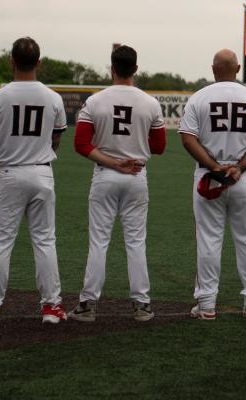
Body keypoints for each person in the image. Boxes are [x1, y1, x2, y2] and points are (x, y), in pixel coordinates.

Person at [0, 37, 68, 326]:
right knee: (45, 241)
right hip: (42, 171)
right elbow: (56, 139)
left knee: (1, 243)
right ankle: (51, 307)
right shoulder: (53, 98)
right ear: (39, 62)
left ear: (11, 61)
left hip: (9, 173)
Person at [69, 45, 166, 323]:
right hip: (137, 175)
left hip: (105, 175)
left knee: (99, 241)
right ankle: (142, 305)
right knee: (136, 242)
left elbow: (81, 144)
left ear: (111, 68)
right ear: (136, 69)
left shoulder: (96, 101)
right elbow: (159, 147)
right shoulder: (150, 103)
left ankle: (88, 305)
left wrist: (112, 160)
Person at [179, 49, 246, 320]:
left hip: (210, 177)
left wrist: (213, 166)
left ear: (213, 69)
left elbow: (187, 139)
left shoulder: (199, 97)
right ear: (238, 68)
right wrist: (240, 167)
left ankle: (207, 304)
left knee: (208, 240)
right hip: (244, 178)